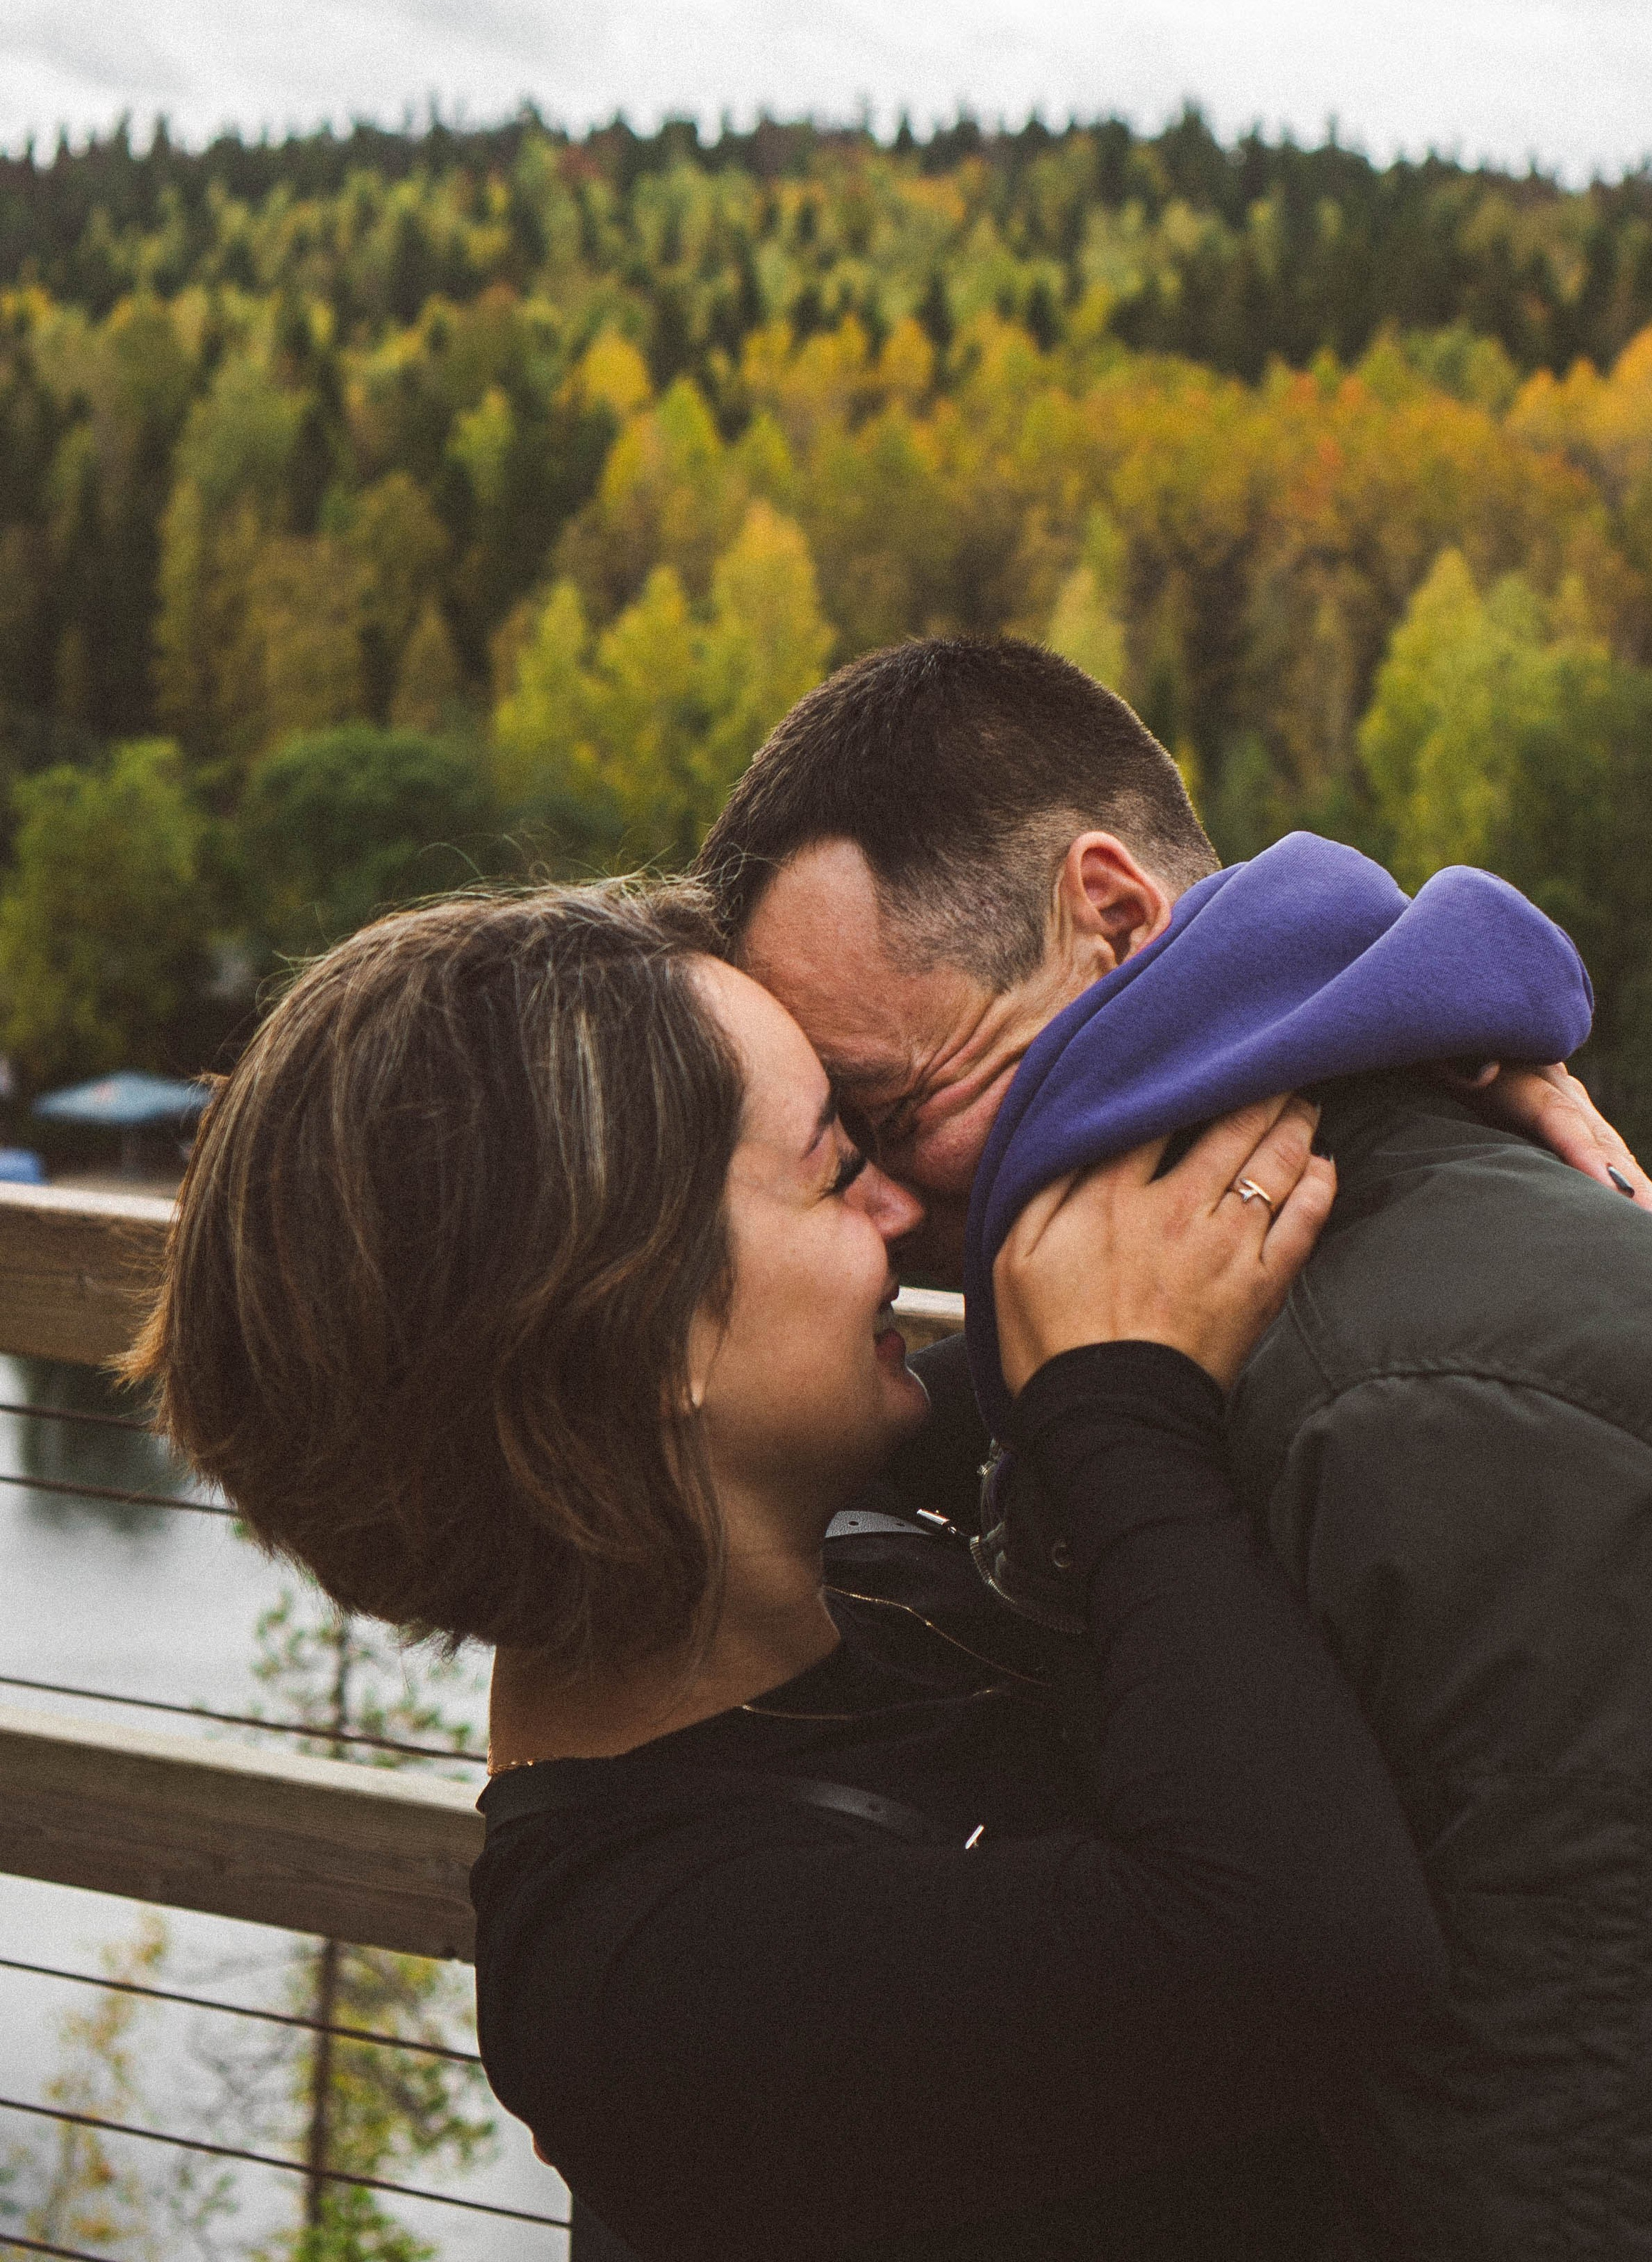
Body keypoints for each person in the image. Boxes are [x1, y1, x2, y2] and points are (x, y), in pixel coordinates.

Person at [698, 634, 1652, 2261]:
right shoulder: (1208, 1298)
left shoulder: (1429, 1404)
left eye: (886, 1108)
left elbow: (1590, 2171)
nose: (876, 1205)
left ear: (1109, 914)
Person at [123, 884, 1446, 2262]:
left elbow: (1098, 1315)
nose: (898, 1207)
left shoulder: (820, 1546)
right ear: (642, 1341)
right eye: (831, 1170)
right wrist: (1119, 1410)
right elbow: (1310, 1948)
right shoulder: (654, 1983)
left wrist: (1425, 1127)